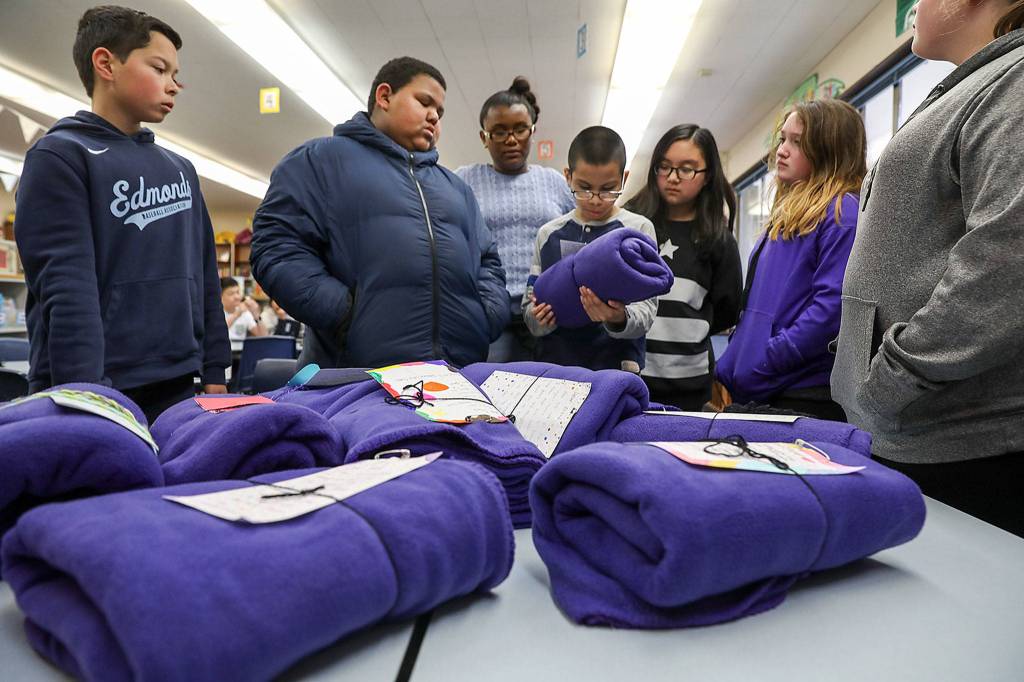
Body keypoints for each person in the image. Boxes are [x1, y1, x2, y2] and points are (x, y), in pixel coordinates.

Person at [831, 0, 1024, 537]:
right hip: (914, 426)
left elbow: (1006, 264)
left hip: (960, 442)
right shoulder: (977, 83)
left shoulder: (1013, 81)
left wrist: (895, 375)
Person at [14, 5, 229, 423]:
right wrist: (85, 393)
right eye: (160, 69)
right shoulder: (60, 157)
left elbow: (204, 274)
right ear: (105, 64)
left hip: (178, 380)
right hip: (93, 385)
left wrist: (215, 367)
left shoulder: (181, 169)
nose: (174, 85)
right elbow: (66, 286)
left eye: (176, 74)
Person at [251, 57, 508, 369]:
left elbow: (487, 260)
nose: (434, 116)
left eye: (440, 112)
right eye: (424, 102)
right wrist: (345, 315)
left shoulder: (456, 189)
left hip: (454, 378)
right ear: (385, 96)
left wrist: (484, 315)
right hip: (356, 377)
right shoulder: (320, 161)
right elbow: (276, 244)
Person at [715, 98, 866, 420]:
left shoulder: (842, 212)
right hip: (766, 387)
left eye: (797, 142)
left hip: (802, 392)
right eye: (783, 139)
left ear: (828, 149)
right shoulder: (789, 213)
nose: (782, 150)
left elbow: (831, 310)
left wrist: (768, 357)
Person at [455, 77, 575, 362]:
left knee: (550, 384)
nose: (511, 139)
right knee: (494, 384)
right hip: (490, 314)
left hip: (548, 311)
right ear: (484, 137)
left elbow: (575, 241)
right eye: (499, 132)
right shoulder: (464, 180)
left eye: (520, 129)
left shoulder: (554, 182)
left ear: (532, 131)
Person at [624, 125, 742, 409]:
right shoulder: (631, 223)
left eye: (686, 169)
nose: (673, 177)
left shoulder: (719, 239)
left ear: (708, 175)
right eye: (664, 167)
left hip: (690, 383)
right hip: (632, 375)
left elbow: (727, 311)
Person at [523, 126, 657, 372]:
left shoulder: (638, 231)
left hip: (616, 367)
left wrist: (617, 318)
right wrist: (540, 318)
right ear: (568, 176)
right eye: (584, 188)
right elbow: (529, 309)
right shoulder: (548, 234)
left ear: (624, 179)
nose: (595, 199)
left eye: (608, 189)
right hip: (556, 366)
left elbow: (646, 311)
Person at [220, 277, 268, 345]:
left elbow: (264, 337)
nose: (237, 297)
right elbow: (218, 333)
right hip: (221, 350)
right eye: (231, 294)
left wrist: (257, 317)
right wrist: (236, 315)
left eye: (238, 292)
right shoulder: (215, 313)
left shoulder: (244, 313)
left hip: (241, 351)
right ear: (220, 297)